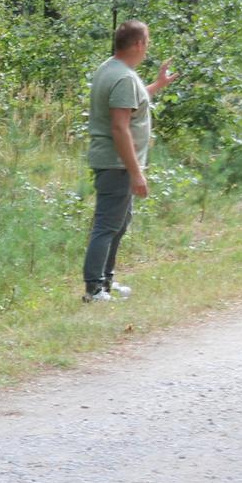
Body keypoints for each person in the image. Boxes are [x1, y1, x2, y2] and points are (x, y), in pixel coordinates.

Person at [83, 20, 176, 303]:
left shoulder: (110, 68)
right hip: (117, 164)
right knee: (107, 225)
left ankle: (105, 281)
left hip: (117, 163)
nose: (147, 48)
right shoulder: (123, 77)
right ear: (138, 44)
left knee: (119, 222)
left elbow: (129, 102)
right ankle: (94, 289)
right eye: (147, 42)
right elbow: (119, 127)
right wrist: (136, 173)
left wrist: (157, 85)